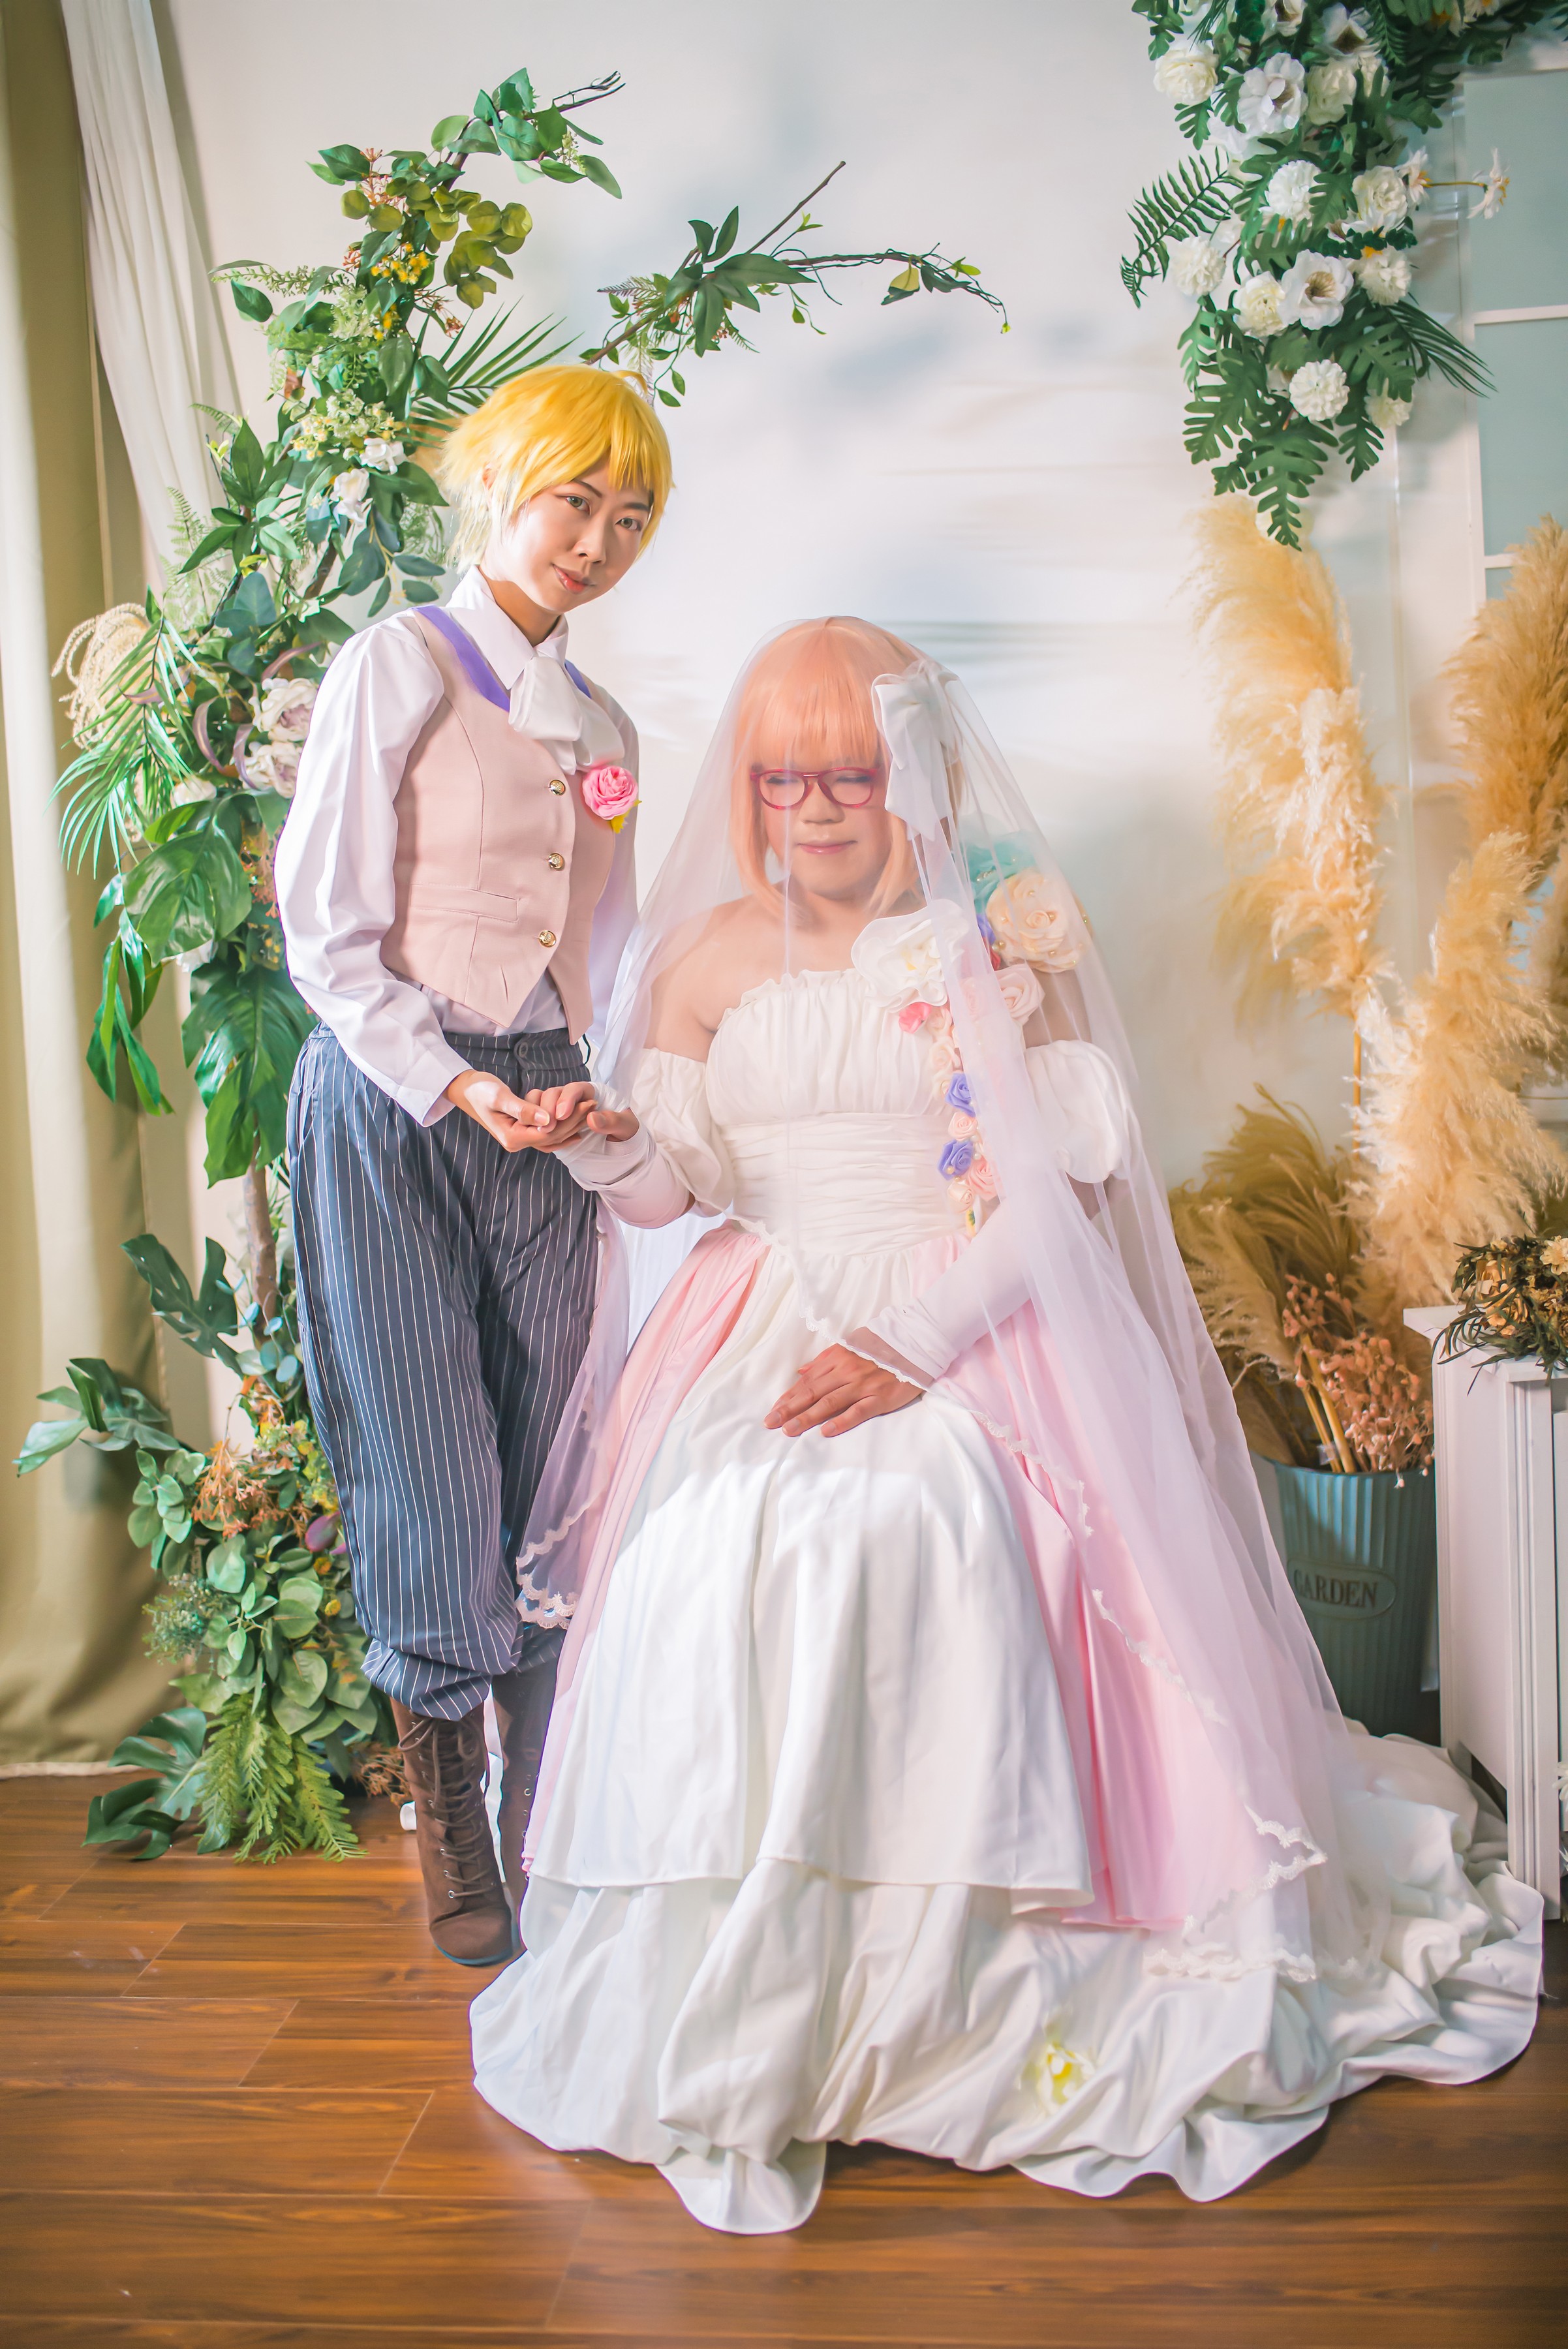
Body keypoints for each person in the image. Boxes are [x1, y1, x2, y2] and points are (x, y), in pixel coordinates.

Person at [468, 617, 1541, 2232]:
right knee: (714, 1533)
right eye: (782, 781)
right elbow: (668, 1200)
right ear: (746, 792)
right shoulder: (695, 960)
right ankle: (761, 1944)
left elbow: (1054, 1200)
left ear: (912, 778)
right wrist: (602, 1142)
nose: (813, 810)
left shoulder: (989, 943)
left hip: (965, 1310)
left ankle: (986, 1938)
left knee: (932, 1517)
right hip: (766, 1311)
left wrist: (911, 1347)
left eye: (849, 777)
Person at [275, 365, 671, 1967]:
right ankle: (452, 1818)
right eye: (576, 499)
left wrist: (589, 1091)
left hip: (544, 1107)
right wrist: (450, 1080)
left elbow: (610, 949)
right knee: (422, 1452)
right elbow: (324, 928)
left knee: (549, 1452)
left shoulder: (608, 729)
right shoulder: (400, 662)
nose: (598, 540)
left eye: (630, 517)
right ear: (504, 486)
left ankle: (537, 1817)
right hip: (395, 1098)